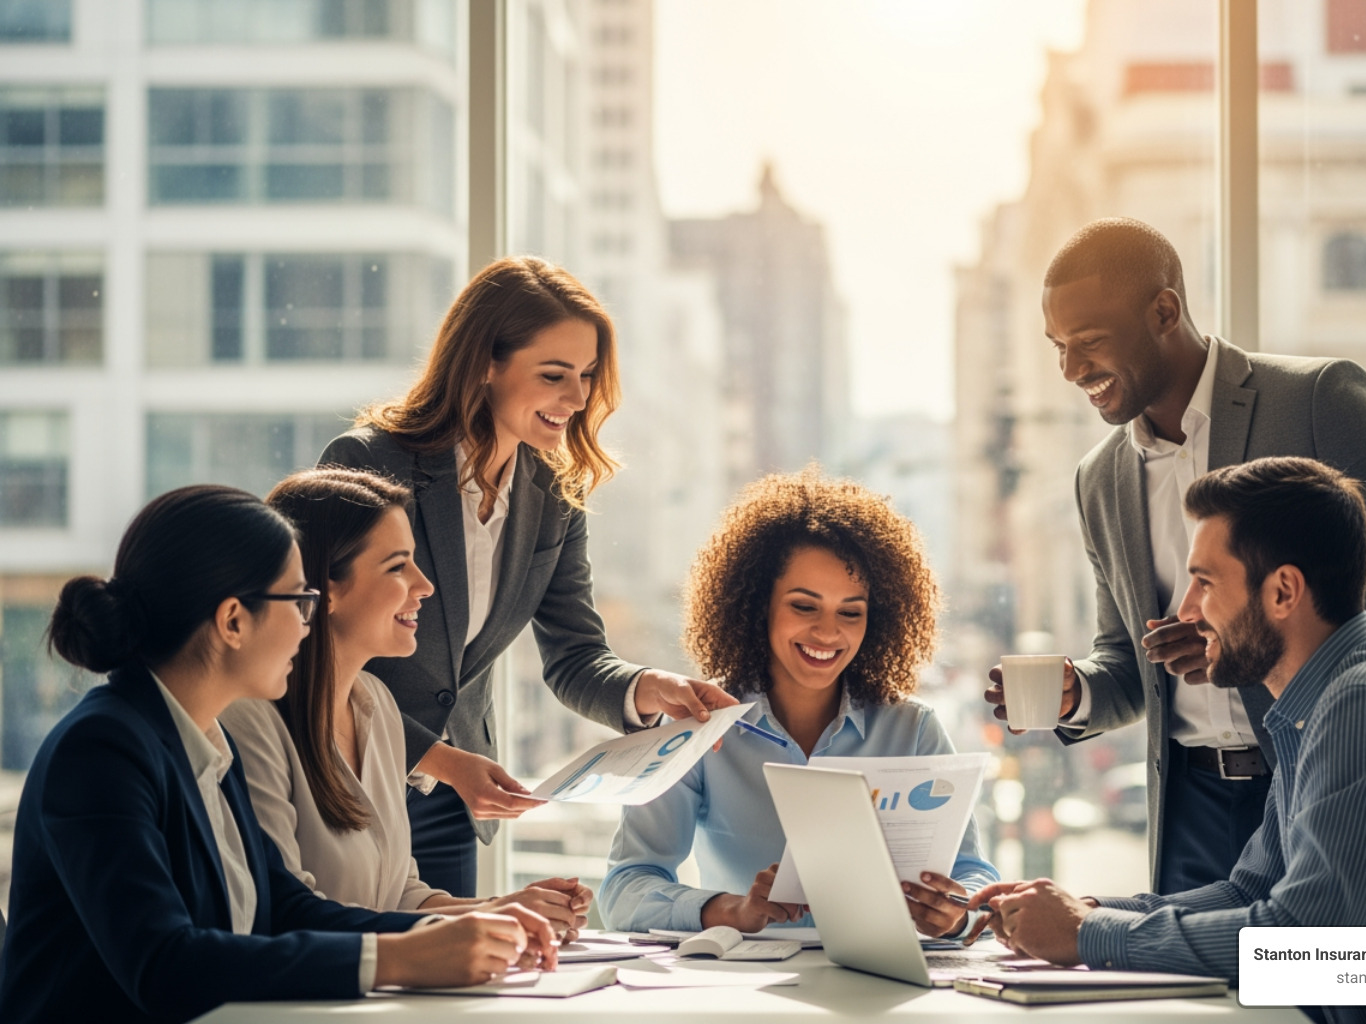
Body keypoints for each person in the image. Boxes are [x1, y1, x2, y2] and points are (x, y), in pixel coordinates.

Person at [984, 218, 1366, 893]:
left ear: (1164, 312)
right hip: (1190, 810)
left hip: (1332, 777)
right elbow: (1128, 662)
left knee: (1320, 963)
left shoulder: (1318, 400)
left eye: (1089, 342)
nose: (1070, 370)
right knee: (1183, 964)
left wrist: (1258, 639)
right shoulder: (1099, 478)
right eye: (1059, 347)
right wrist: (1080, 692)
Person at [970, 459, 1366, 1024]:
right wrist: (1083, 910)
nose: (1187, 611)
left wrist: (1088, 933)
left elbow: (1302, 944)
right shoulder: (1322, 700)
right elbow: (1250, 891)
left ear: (1283, 591)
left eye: (1205, 583)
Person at [0, 485, 558, 1024]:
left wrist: (442, 934)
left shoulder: (205, 741)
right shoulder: (101, 750)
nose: (306, 625)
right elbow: (164, 964)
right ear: (233, 621)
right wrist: (401, 959)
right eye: (298, 601)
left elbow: (285, 908)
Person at [320, 256, 735, 896]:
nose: (578, 398)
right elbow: (317, 646)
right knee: (358, 949)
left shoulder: (553, 496)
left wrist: (649, 687)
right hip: (349, 777)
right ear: (485, 363)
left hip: (454, 800)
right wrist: (439, 758)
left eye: (587, 376)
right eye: (553, 375)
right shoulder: (369, 460)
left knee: (452, 957)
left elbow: (575, 657)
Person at [599, 468, 999, 936]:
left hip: (881, 976)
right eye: (804, 606)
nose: (828, 632)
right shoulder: (700, 725)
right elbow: (624, 890)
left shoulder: (913, 729)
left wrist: (956, 914)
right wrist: (731, 910)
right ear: (758, 604)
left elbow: (973, 876)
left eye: (850, 612)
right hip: (752, 975)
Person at [219, 468, 590, 939]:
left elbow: (400, 894)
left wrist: (507, 908)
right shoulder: (250, 720)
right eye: (397, 567)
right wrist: (485, 920)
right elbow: (288, 916)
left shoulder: (377, 705)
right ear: (325, 589)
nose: (425, 585)